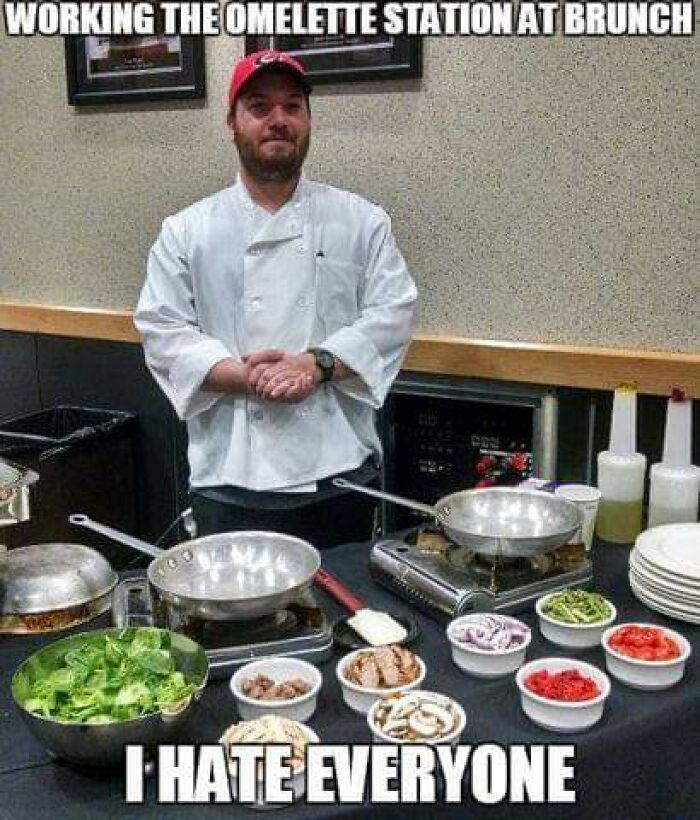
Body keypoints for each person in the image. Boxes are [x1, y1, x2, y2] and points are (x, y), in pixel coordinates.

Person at [134, 50, 418, 547]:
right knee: (231, 622)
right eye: (259, 106)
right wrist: (247, 378)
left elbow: (392, 316)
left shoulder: (362, 220)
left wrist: (315, 365)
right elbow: (164, 333)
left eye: (292, 106)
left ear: (308, 119)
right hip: (229, 477)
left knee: (348, 618)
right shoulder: (187, 231)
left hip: (340, 470)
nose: (278, 120)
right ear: (233, 122)